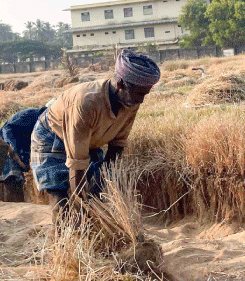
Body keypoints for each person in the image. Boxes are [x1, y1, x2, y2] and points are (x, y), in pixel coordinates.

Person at [30, 49, 161, 222]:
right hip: (51, 136)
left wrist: (99, 189)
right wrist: (83, 204)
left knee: (96, 194)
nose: (142, 100)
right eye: (139, 94)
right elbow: (77, 162)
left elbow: (117, 145)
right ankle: (63, 241)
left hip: (88, 141)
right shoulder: (87, 102)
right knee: (61, 200)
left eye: (145, 94)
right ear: (121, 85)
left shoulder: (131, 101)